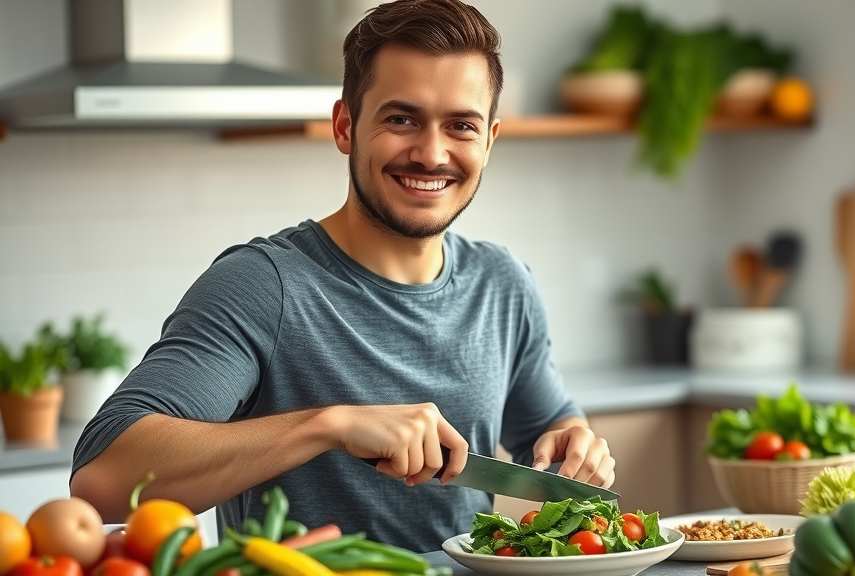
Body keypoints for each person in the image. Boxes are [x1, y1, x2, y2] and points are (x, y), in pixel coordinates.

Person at [70, 0, 616, 554]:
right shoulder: (264, 286)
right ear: (345, 126)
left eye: (461, 126)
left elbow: (546, 430)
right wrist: (328, 426)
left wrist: (573, 443)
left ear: (490, 140)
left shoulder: (504, 284)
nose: (431, 153)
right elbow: (102, 478)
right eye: (401, 119)